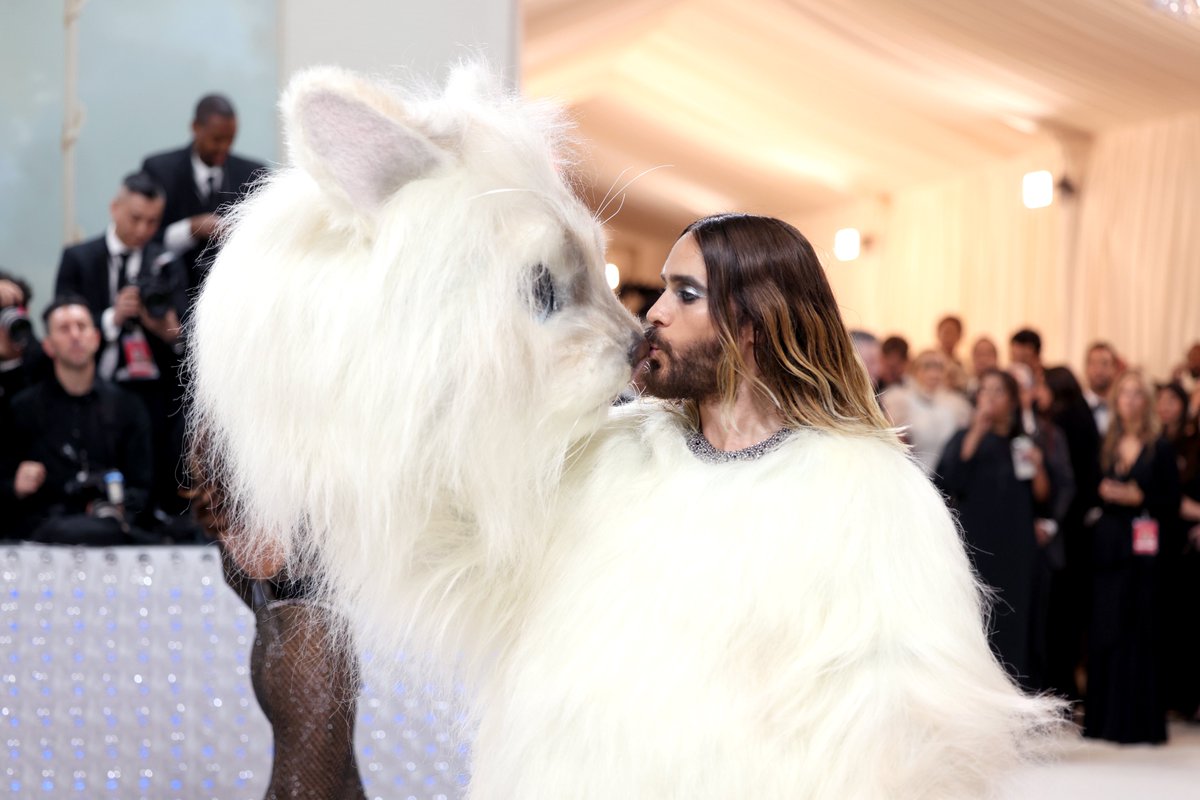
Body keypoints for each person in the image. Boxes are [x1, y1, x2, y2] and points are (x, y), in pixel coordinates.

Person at [187, 68, 1061, 798]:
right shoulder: (612, 457)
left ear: (754, 326)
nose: (648, 316)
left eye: (685, 296)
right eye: (660, 289)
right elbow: (463, 556)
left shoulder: (862, 489)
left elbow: (917, 714)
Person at [55, 171, 189, 519]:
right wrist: (112, 318)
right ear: (115, 209)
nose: (143, 230)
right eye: (136, 219)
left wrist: (162, 326)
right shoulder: (79, 258)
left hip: (155, 392)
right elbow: (60, 316)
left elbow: (183, 338)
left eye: (153, 222)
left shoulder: (166, 263)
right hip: (95, 384)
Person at [937, 368, 1054, 686]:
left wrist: (1040, 465)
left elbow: (1042, 496)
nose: (989, 397)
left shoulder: (1020, 442)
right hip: (977, 539)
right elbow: (950, 480)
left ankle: (1016, 688)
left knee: (1015, 617)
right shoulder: (965, 437)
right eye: (984, 390)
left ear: (1013, 400)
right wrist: (978, 429)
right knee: (978, 616)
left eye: (998, 391)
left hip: (1016, 543)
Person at [2, 297, 152, 544]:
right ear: (48, 346)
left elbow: (143, 484)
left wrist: (120, 503)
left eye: (81, 326)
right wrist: (14, 485)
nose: (74, 335)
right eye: (64, 328)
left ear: (95, 338)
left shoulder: (127, 406)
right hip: (38, 538)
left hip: (112, 535)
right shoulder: (22, 409)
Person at [1086, 370, 1180, 744]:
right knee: (1107, 625)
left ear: (1147, 402)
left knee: (1140, 625)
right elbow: (1087, 493)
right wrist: (1105, 493)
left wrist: (1139, 498)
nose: (1129, 400)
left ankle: (1139, 722)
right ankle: (1104, 720)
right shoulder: (1106, 444)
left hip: (1144, 547)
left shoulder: (1160, 447)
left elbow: (1171, 500)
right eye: (1124, 393)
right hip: (1109, 546)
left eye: (1137, 394)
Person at [141, 94, 267, 302]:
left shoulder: (253, 175)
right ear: (195, 128)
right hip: (171, 298)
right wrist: (191, 228)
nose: (224, 148)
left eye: (230, 140)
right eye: (217, 139)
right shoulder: (159, 170)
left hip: (233, 298)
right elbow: (144, 239)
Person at [1039, 366, 1101, 702]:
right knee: (1070, 618)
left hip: (1066, 533)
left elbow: (1067, 483)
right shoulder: (1083, 417)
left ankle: (1061, 691)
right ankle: (1068, 690)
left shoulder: (1060, 425)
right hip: (1080, 530)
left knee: (1061, 617)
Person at [879, 349, 971, 475]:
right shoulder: (901, 400)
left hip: (947, 479)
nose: (934, 374)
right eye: (927, 367)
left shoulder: (956, 405)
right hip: (914, 475)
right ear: (915, 371)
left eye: (939, 368)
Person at [1083, 341, 1120, 436]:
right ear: (1086, 368)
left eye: (1105, 364)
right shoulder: (1073, 409)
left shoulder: (1122, 407)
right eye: (1093, 364)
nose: (1099, 370)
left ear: (1114, 368)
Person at [936, 314, 969, 392]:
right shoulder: (929, 360)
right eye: (945, 332)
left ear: (959, 336)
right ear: (938, 334)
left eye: (952, 332)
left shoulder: (965, 364)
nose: (948, 337)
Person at [967, 335, 999, 402]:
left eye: (988, 354)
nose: (983, 359)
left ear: (996, 358)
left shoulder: (1003, 387)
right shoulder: (966, 386)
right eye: (979, 354)